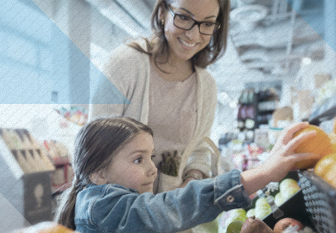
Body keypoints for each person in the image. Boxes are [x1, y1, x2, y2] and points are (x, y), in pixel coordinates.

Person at [53, 117, 316, 232]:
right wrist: (263, 173)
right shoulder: (101, 205)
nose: (152, 169)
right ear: (98, 173)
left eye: (150, 157)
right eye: (137, 159)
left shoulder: (105, 204)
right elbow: (172, 207)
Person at [89, 0, 230, 194]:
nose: (193, 34)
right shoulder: (125, 64)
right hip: (119, 207)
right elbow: (95, 146)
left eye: (207, 23)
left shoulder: (206, 85)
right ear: (163, 12)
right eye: (183, 17)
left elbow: (200, 147)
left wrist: (192, 179)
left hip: (172, 214)